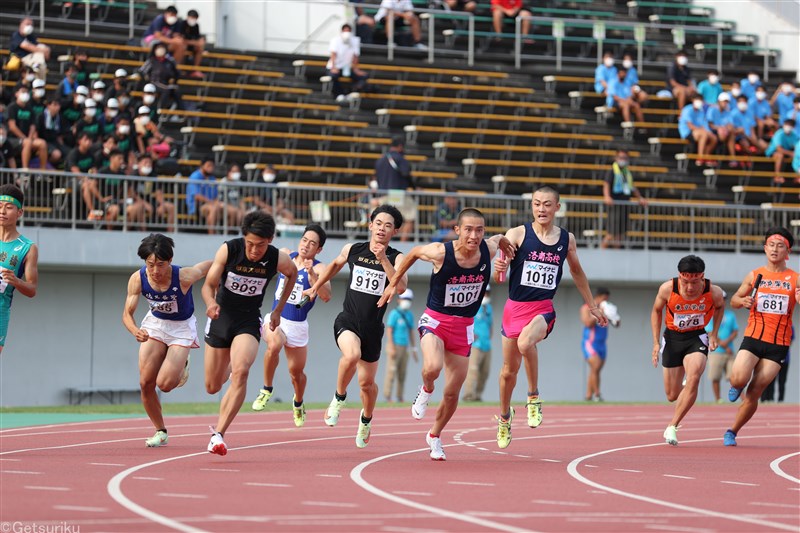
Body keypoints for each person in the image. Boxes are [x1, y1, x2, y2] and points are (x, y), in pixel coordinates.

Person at [379, 208, 514, 460]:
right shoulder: (441, 252)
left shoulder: (489, 248)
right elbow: (414, 253)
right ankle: (426, 389)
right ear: (457, 230)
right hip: (436, 320)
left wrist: (504, 244)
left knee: (452, 393)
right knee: (432, 367)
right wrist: (392, 284)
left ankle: (434, 436)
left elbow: (501, 239)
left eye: (479, 230)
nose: (474, 236)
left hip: (464, 327)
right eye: (468, 230)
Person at [492, 186, 607, 449]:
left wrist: (592, 305)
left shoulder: (566, 239)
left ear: (557, 207)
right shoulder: (518, 234)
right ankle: (504, 417)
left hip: (542, 308)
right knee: (508, 373)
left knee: (525, 343)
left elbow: (577, 272)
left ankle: (533, 396)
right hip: (514, 308)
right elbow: (499, 277)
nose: (541, 209)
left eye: (546, 204)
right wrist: (500, 268)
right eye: (536, 204)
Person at [303, 205, 407, 448]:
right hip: (348, 319)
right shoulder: (353, 249)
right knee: (352, 355)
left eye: (388, 225)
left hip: (373, 327)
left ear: (395, 231)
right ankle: (339, 398)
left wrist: (383, 260)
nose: (382, 228)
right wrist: (315, 286)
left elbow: (400, 286)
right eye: (378, 223)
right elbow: (335, 265)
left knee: (366, 384)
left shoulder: (397, 257)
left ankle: (366, 418)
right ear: (370, 225)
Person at [203, 211, 298, 455]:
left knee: (242, 372)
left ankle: (219, 435)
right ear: (243, 238)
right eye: (250, 244)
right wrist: (210, 303)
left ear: (271, 240)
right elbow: (209, 284)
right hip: (221, 316)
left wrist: (278, 310)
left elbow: (293, 274)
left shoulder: (277, 258)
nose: (255, 250)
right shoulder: (229, 250)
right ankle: (227, 368)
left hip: (247, 320)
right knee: (213, 386)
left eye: (261, 245)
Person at [122, 234, 211, 447]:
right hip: (155, 324)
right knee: (145, 383)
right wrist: (135, 330)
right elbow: (127, 314)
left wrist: (226, 261)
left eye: (160, 265)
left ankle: (182, 363)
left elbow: (207, 266)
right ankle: (160, 431)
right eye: (150, 264)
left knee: (165, 384)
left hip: (181, 328)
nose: (155, 271)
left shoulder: (184, 276)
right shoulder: (138, 278)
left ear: (169, 261)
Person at [250, 225, 332, 427]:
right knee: (274, 344)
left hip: (298, 325)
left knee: (296, 374)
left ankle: (298, 402)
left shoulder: (320, 267)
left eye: (312, 243)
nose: (306, 245)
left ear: (319, 249)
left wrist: (311, 273)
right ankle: (266, 389)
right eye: (304, 240)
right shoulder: (286, 254)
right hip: (277, 318)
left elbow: (326, 295)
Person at [724, 228, 798, 446]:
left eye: (780, 246)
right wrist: (743, 302)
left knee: (755, 392)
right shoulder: (755, 275)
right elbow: (734, 300)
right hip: (754, 338)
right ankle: (737, 385)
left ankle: (732, 431)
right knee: (738, 379)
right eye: (771, 245)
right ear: (765, 248)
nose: (775, 249)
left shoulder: (795, 279)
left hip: (778, 345)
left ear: (788, 252)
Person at [651, 254, 724, 446]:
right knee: (672, 395)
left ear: (702, 276)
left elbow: (720, 307)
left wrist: (714, 334)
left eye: (695, 281)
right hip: (673, 339)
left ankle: (672, 426)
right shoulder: (668, 289)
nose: (690, 287)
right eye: (685, 281)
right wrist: (656, 342)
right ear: (679, 276)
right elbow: (656, 311)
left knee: (694, 377)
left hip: (696, 337)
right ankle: (686, 388)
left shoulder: (713, 291)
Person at [0, 184, 38, 355]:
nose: (2, 211)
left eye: (8, 208)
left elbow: (32, 289)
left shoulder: (27, 248)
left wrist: (16, 280)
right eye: (0, 206)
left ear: (19, 213)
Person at [602, 149, 647, 249]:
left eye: (625, 158)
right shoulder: (612, 171)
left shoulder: (627, 173)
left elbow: (632, 187)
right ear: (616, 158)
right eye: (621, 158)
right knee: (611, 234)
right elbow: (606, 184)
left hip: (624, 205)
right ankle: (601, 252)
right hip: (615, 206)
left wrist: (640, 198)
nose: (623, 160)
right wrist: (607, 196)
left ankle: (616, 256)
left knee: (619, 235)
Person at [373, 138, 417, 241]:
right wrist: (414, 187)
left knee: (384, 221)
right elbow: (406, 174)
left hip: (383, 195)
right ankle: (403, 243)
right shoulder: (400, 159)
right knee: (410, 218)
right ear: (400, 146)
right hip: (398, 194)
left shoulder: (380, 160)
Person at [581, 287, 619, 402]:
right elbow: (587, 323)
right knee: (595, 367)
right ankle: (597, 394)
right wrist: (599, 313)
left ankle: (588, 395)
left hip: (602, 344)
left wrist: (613, 315)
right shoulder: (586, 308)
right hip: (590, 343)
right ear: (598, 296)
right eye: (604, 298)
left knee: (595, 370)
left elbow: (616, 324)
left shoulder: (606, 308)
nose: (605, 301)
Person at [382, 288, 417, 403]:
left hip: (405, 346)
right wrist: (391, 346)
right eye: (405, 299)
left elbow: (411, 332)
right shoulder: (394, 314)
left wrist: (414, 348)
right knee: (391, 372)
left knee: (402, 373)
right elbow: (389, 330)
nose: (407, 301)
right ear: (399, 300)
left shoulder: (410, 315)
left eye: (408, 299)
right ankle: (388, 396)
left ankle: (400, 396)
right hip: (395, 345)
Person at [705, 291, 738, 403]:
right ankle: (718, 399)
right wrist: (723, 345)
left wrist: (727, 342)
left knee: (734, 376)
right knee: (715, 376)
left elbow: (735, 331)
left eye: (723, 298)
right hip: (716, 350)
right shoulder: (710, 314)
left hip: (729, 351)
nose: (721, 300)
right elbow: (709, 332)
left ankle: (742, 398)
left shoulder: (730, 315)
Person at [462, 285, 493, 402]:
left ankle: (478, 395)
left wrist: (489, 337)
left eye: (488, 293)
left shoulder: (488, 308)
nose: (486, 296)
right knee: (473, 370)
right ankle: (469, 395)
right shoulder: (473, 306)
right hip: (475, 345)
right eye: (484, 293)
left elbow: (491, 325)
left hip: (486, 344)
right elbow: (465, 322)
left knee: (485, 372)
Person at [6, 86, 48, 171]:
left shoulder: (30, 109)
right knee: (28, 142)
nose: (25, 94)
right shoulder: (12, 107)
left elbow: (32, 126)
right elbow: (12, 127)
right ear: (16, 94)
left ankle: (43, 171)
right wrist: (24, 138)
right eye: (23, 91)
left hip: (27, 138)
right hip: (13, 139)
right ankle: (25, 169)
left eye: (26, 92)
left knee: (42, 143)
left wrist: (29, 137)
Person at [327, 24, 368, 102]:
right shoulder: (335, 40)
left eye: (348, 31)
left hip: (347, 67)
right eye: (345, 31)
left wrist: (356, 69)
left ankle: (350, 92)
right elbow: (333, 55)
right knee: (333, 76)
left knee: (364, 76)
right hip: (336, 66)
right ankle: (339, 94)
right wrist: (333, 67)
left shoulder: (354, 41)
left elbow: (355, 56)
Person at [186, 157, 224, 234]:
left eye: (212, 166)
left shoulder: (212, 178)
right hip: (198, 205)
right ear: (202, 166)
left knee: (228, 208)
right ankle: (211, 234)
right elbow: (197, 196)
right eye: (208, 165)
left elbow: (216, 196)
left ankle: (229, 234)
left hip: (211, 203)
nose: (211, 168)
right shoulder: (195, 176)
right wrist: (212, 203)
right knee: (213, 209)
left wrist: (217, 202)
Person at [678, 95, 717, 167]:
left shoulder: (701, 112)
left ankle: (707, 156)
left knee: (713, 138)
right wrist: (703, 131)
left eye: (700, 100)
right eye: (697, 99)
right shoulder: (687, 109)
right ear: (693, 100)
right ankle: (700, 157)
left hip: (699, 131)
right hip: (687, 132)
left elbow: (704, 125)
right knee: (704, 134)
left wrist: (708, 132)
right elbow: (690, 125)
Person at [760, 326, 793, 402]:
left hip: (784, 358)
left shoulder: (789, 326)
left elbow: (791, 340)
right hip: (771, 357)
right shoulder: (771, 324)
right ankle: (768, 398)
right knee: (769, 378)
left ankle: (780, 400)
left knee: (782, 380)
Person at [706, 93, 737, 163]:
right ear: (719, 101)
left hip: (724, 131)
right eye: (724, 101)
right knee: (721, 134)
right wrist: (720, 128)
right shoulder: (712, 109)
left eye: (726, 102)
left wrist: (726, 129)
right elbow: (710, 125)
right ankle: (707, 156)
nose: (725, 103)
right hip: (713, 131)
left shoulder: (727, 111)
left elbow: (730, 124)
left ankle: (733, 158)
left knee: (732, 133)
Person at [766, 119, 798, 184]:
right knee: (780, 155)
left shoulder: (794, 135)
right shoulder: (779, 134)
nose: (788, 127)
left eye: (790, 125)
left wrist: (795, 154)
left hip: (786, 153)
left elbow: (797, 147)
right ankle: (777, 177)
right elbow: (779, 149)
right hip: (773, 152)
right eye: (787, 125)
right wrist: (791, 153)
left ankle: (797, 176)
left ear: (793, 127)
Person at [179, 9, 205, 79]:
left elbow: (197, 37)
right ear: (188, 17)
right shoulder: (182, 24)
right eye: (192, 17)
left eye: (195, 18)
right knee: (182, 46)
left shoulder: (196, 26)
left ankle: (195, 69)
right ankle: (180, 68)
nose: (193, 20)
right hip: (183, 45)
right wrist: (195, 42)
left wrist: (200, 41)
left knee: (200, 48)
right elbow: (181, 39)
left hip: (192, 45)